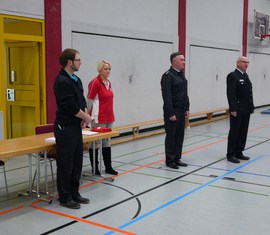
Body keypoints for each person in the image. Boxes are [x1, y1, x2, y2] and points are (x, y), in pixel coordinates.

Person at [53, 48, 92, 209]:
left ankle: (75, 192)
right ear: (69, 62)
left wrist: (83, 119)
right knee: (65, 163)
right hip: (65, 127)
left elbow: (81, 101)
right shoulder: (62, 81)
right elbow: (69, 105)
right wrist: (86, 117)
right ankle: (65, 196)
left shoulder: (76, 79)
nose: (80, 62)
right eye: (78, 60)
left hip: (76, 126)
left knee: (76, 161)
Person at [87, 60, 118, 175]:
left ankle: (108, 167)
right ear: (100, 70)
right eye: (106, 69)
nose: (108, 71)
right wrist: (86, 117)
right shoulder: (95, 82)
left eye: (109, 69)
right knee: (95, 142)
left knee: (106, 142)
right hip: (98, 117)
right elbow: (89, 100)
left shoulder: (108, 83)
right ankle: (95, 168)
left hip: (109, 116)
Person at [161, 52, 190, 169]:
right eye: (181, 60)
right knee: (171, 136)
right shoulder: (168, 76)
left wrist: (187, 108)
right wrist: (171, 113)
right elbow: (167, 97)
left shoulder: (180, 75)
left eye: (184, 59)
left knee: (179, 136)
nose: (184, 62)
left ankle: (177, 158)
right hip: (173, 112)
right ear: (174, 62)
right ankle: (170, 160)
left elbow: (184, 93)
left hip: (181, 111)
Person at [226, 56, 254, 163]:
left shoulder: (245, 75)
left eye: (247, 62)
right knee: (235, 131)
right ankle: (231, 154)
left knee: (243, 131)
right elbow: (231, 93)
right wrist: (233, 108)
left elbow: (249, 93)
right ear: (238, 63)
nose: (246, 64)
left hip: (246, 109)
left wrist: (251, 106)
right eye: (244, 62)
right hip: (237, 109)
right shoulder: (233, 76)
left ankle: (239, 151)